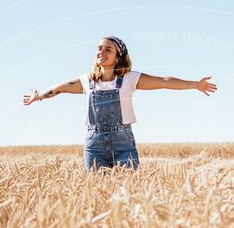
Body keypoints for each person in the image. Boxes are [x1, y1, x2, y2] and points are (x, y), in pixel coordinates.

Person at [23, 36, 217, 172]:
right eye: (99, 48)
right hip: (94, 144)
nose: (101, 52)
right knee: (98, 195)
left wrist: (195, 85)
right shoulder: (88, 81)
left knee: (127, 194)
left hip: (123, 143)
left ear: (118, 56)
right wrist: (38, 95)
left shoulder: (130, 78)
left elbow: (164, 81)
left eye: (108, 49)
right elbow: (59, 88)